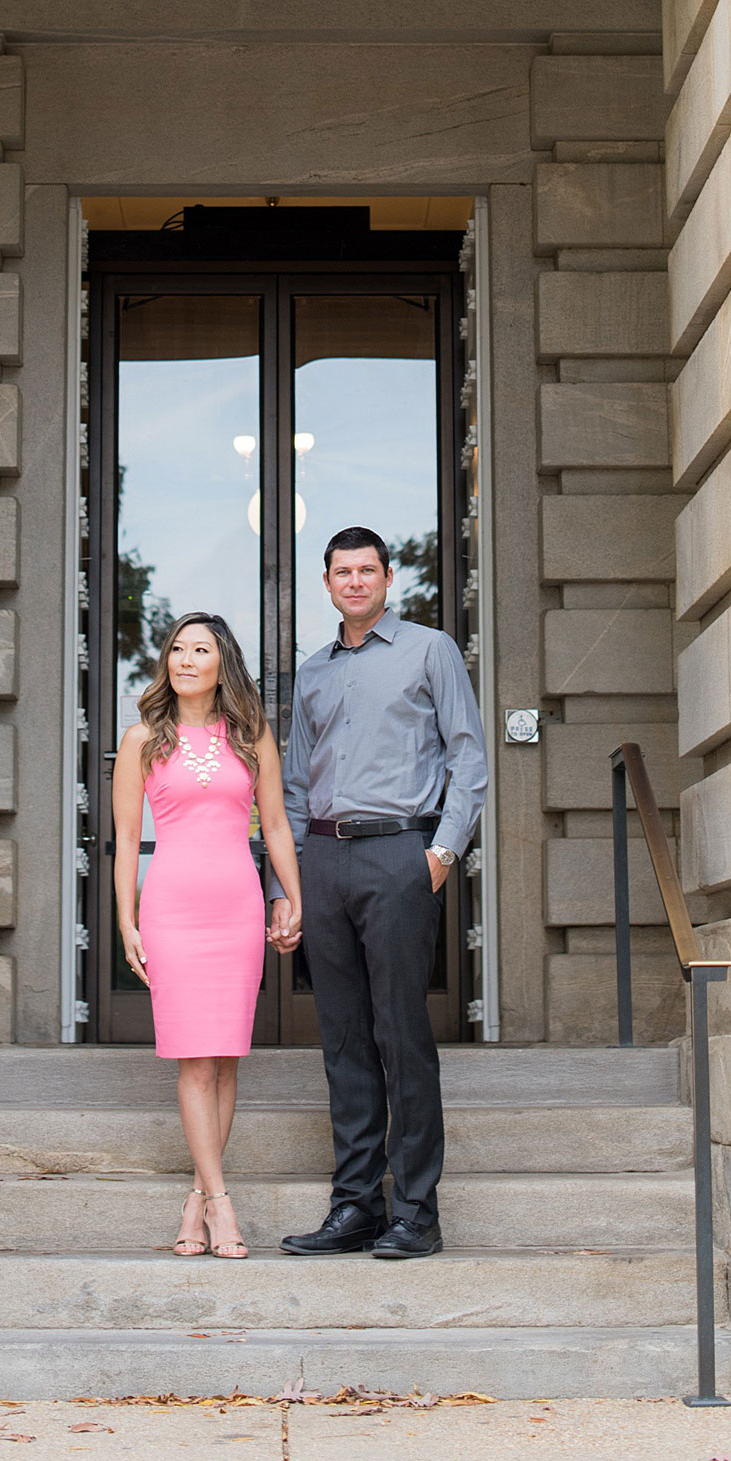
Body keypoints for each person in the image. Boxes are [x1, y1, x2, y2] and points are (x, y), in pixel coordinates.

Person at [278, 526, 488, 1261]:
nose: (356, 581)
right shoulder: (312, 673)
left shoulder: (430, 650)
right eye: (343, 571)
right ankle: (356, 1206)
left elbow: (470, 757)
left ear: (388, 578)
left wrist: (441, 852)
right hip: (326, 862)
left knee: (402, 1035)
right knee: (343, 1041)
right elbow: (296, 786)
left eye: (368, 569)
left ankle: (417, 1211)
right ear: (328, 582)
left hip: (402, 852)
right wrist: (289, 881)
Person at [113, 610, 303, 1261]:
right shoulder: (143, 739)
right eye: (176, 649)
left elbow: (275, 825)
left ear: (222, 662)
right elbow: (122, 845)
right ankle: (222, 1204)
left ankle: (196, 1200)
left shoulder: (251, 736)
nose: (185, 659)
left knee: (224, 1059)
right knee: (194, 1058)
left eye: (200, 650)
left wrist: (292, 897)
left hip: (238, 910)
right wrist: (125, 920)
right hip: (172, 912)